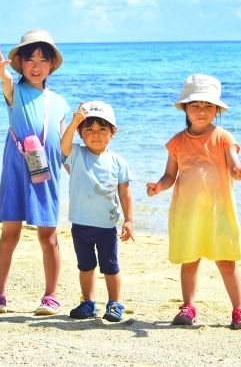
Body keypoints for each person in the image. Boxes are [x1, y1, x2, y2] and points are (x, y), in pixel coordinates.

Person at [146, 74, 241, 330]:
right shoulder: (176, 142)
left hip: (219, 212)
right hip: (187, 213)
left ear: (217, 109)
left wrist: (240, 173)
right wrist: (158, 187)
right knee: (190, 261)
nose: (202, 111)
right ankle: (188, 306)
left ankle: (239, 310)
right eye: (195, 105)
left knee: (227, 262)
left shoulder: (224, 137)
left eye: (208, 106)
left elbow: (234, 167)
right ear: (185, 108)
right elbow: (170, 175)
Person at [0, 29, 70, 315]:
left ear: (51, 65)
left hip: (47, 171)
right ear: (20, 63)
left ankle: (51, 295)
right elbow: (6, 83)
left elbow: (63, 144)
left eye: (43, 60)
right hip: (17, 166)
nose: (36, 65)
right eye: (30, 59)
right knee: (10, 232)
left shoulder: (59, 102)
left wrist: (76, 170)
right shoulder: (16, 91)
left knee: (49, 235)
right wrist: (1, 73)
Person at [61, 100, 134, 322]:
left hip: (106, 226)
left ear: (113, 131)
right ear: (81, 133)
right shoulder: (76, 154)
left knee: (110, 266)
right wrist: (74, 122)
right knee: (85, 266)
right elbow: (62, 146)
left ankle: (114, 303)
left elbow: (125, 193)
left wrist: (129, 220)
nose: (95, 134)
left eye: (103, 129)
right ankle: (88, 302)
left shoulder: (118, 161)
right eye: (89, 129)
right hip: (81, 224)